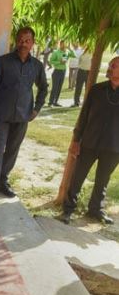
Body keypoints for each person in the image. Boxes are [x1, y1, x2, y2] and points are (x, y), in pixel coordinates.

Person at [0, 27, 48, 206]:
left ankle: (3, 181)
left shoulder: (37, 66)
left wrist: (36, 109)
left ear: (33, 43)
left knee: (12, 151)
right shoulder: (2, 62)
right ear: (16, 41)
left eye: (27, 40)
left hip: (23, 115)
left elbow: (43, 88)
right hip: (1, 115)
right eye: (21, 39)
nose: (23, 43)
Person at [59, 56, 119, 225]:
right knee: (78, 176)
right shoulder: (96, 90)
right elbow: (83, 116)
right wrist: (76, 140)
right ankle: (68, 210)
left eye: (114, 66)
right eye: (110, 64)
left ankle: (95, 210)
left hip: (114, 146)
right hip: (90, 142)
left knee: (103, 179)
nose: (110, 67)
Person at [48, 40, 75, 107]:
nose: (64, 46)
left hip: (63, 72)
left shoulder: (67, 52)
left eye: (65, 44)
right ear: (60, 45)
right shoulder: (56, 52)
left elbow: (74, 56)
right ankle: (50, 102)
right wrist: (59, 62)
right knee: (55, 87)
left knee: (59, 87)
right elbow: (51, 61)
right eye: (62, 44)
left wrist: (70, 49)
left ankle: (55, 102)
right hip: (57, 71)